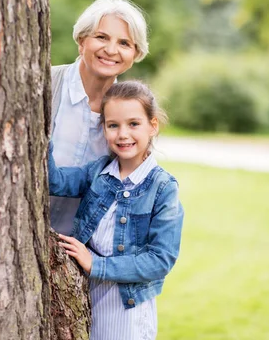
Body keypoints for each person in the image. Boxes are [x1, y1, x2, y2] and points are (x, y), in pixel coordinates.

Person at [49, 80, 184, 340]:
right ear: (104, 129)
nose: (123, 134)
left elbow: (160, 260)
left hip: (126, 304)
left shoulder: (163, 187)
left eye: (133, 124)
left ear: (152, 126)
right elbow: (56, 181)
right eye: (113, 125)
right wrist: (42, 138)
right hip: (85, 290)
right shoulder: (99, 171)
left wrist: (96, 264)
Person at [50, 0, 149, 235]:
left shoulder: (132, 113)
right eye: (101, 37)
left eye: (125, 43)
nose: (111, 50)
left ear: (135, 54)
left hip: (79, 252)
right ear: (82, 41)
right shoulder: (45, 83)